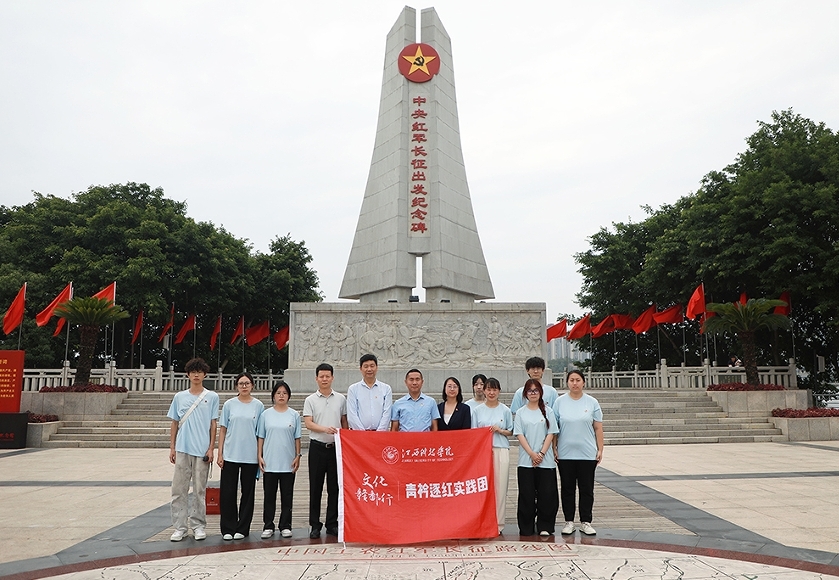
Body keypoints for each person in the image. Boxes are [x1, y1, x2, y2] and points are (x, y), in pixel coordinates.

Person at [167, 358, 219, 542]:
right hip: (182, 448)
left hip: (202, 450)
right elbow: (174, 423)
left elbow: (213, 424)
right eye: (193, 372)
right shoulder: (179, 397)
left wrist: (211, 448)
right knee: (178, 489)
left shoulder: (212, 397)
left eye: (199, 372)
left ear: (205, 374)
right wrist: (172, 447)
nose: (196, 375)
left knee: (199, 490)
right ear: (188, 375)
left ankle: (198, 525)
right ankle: (180, 527)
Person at [552, 370, 603, 536]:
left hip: (587, 453)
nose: (575, 383)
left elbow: (598, 428)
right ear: (567, 382)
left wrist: (600, 449)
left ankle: (586, 521)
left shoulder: (592, 402)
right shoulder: (560, 402)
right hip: (565, 453)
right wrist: (554, 447)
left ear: (583, 382)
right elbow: (555, 428)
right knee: (567, 489)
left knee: (586, 489)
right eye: (572, 380)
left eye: (578, 380)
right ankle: (569, 521)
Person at [217, 372, 264, 540]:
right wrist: (220, 453)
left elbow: (260, 433)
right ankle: (228, 528)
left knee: (248, 493)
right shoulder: (229, 404)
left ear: (252, 385)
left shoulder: (258, 406)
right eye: (241, 383)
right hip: (231, 453)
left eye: (247, 383)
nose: (244, 386)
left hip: (250, 455)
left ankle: (243, 528)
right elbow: (223, 429)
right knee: (228, 492)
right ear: (236, 386)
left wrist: (260, 454)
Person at [303, 363, 348, 539]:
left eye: (327, 376)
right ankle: (315, 524)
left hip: (335, 449)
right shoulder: (310, 400)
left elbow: (344, 421)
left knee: (334, 488)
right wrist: (325, 429)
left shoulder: (340, 399)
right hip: (317, 447)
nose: (324, 379)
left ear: (332, 378)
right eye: (321, 376)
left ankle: (332, 523)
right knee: (315, 487)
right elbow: (308, 423)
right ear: (316, 378)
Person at [514, 378, 559, 536]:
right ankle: (526, 526)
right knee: (526, 495)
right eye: (530, 391)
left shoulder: (548, 411)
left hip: (545, 461)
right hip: (526, 461)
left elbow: (551, 433)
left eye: (536, 390)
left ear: (541, 392)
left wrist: (541, 454)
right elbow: (519, 435)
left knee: (547, 494)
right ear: (525, 393)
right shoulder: (520, 412)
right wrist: (532, 454)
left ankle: (545, 525)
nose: (533, 393)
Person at [257, 380, 301, 539]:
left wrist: (297, 456)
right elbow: (261, 436)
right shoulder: (265, 414)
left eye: (284, 393)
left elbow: (297, 438)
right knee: (269, 496)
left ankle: (285, 525)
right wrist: (259, 455)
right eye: (278, 393)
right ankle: (268, 525)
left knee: (287, 496)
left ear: (289, 396)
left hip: (288, 462)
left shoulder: (294, 415)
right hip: (270, 461)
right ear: (273, 395)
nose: (281, 396)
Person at [471, 377, 513, 535]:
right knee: (483, 488)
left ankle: (498, 523)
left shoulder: (505, 410)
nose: (491, 392)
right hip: (483, 453)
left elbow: (511, 431)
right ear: (484, 391)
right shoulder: (477, 411)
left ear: (499, 391)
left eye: (494, 389)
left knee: (500, 487)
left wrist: (500, 430)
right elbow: (473, 433)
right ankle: (482, 521)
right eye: (488, 389)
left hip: (500, 449)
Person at [347, 353, 392, 431]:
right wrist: (363, 433)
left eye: (372, 366)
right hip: (360, 434)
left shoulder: (386, 389)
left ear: (377, 367)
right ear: (360, 369)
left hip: (381, 434)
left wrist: (379, 432)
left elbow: (387, 413)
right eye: (366, 366)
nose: (369, 369)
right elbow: (352, 414)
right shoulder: (353, 389)